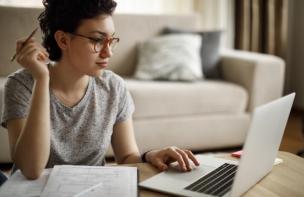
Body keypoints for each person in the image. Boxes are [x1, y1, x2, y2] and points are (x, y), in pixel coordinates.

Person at [1, 0, 199, 180]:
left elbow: (127, 157)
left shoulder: (114, 87)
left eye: (111, 40)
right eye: (96, 40)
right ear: (63, 40)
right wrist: (42, 79)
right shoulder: (21, 86)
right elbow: (31, 170)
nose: (108, 52)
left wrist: (150, 156)